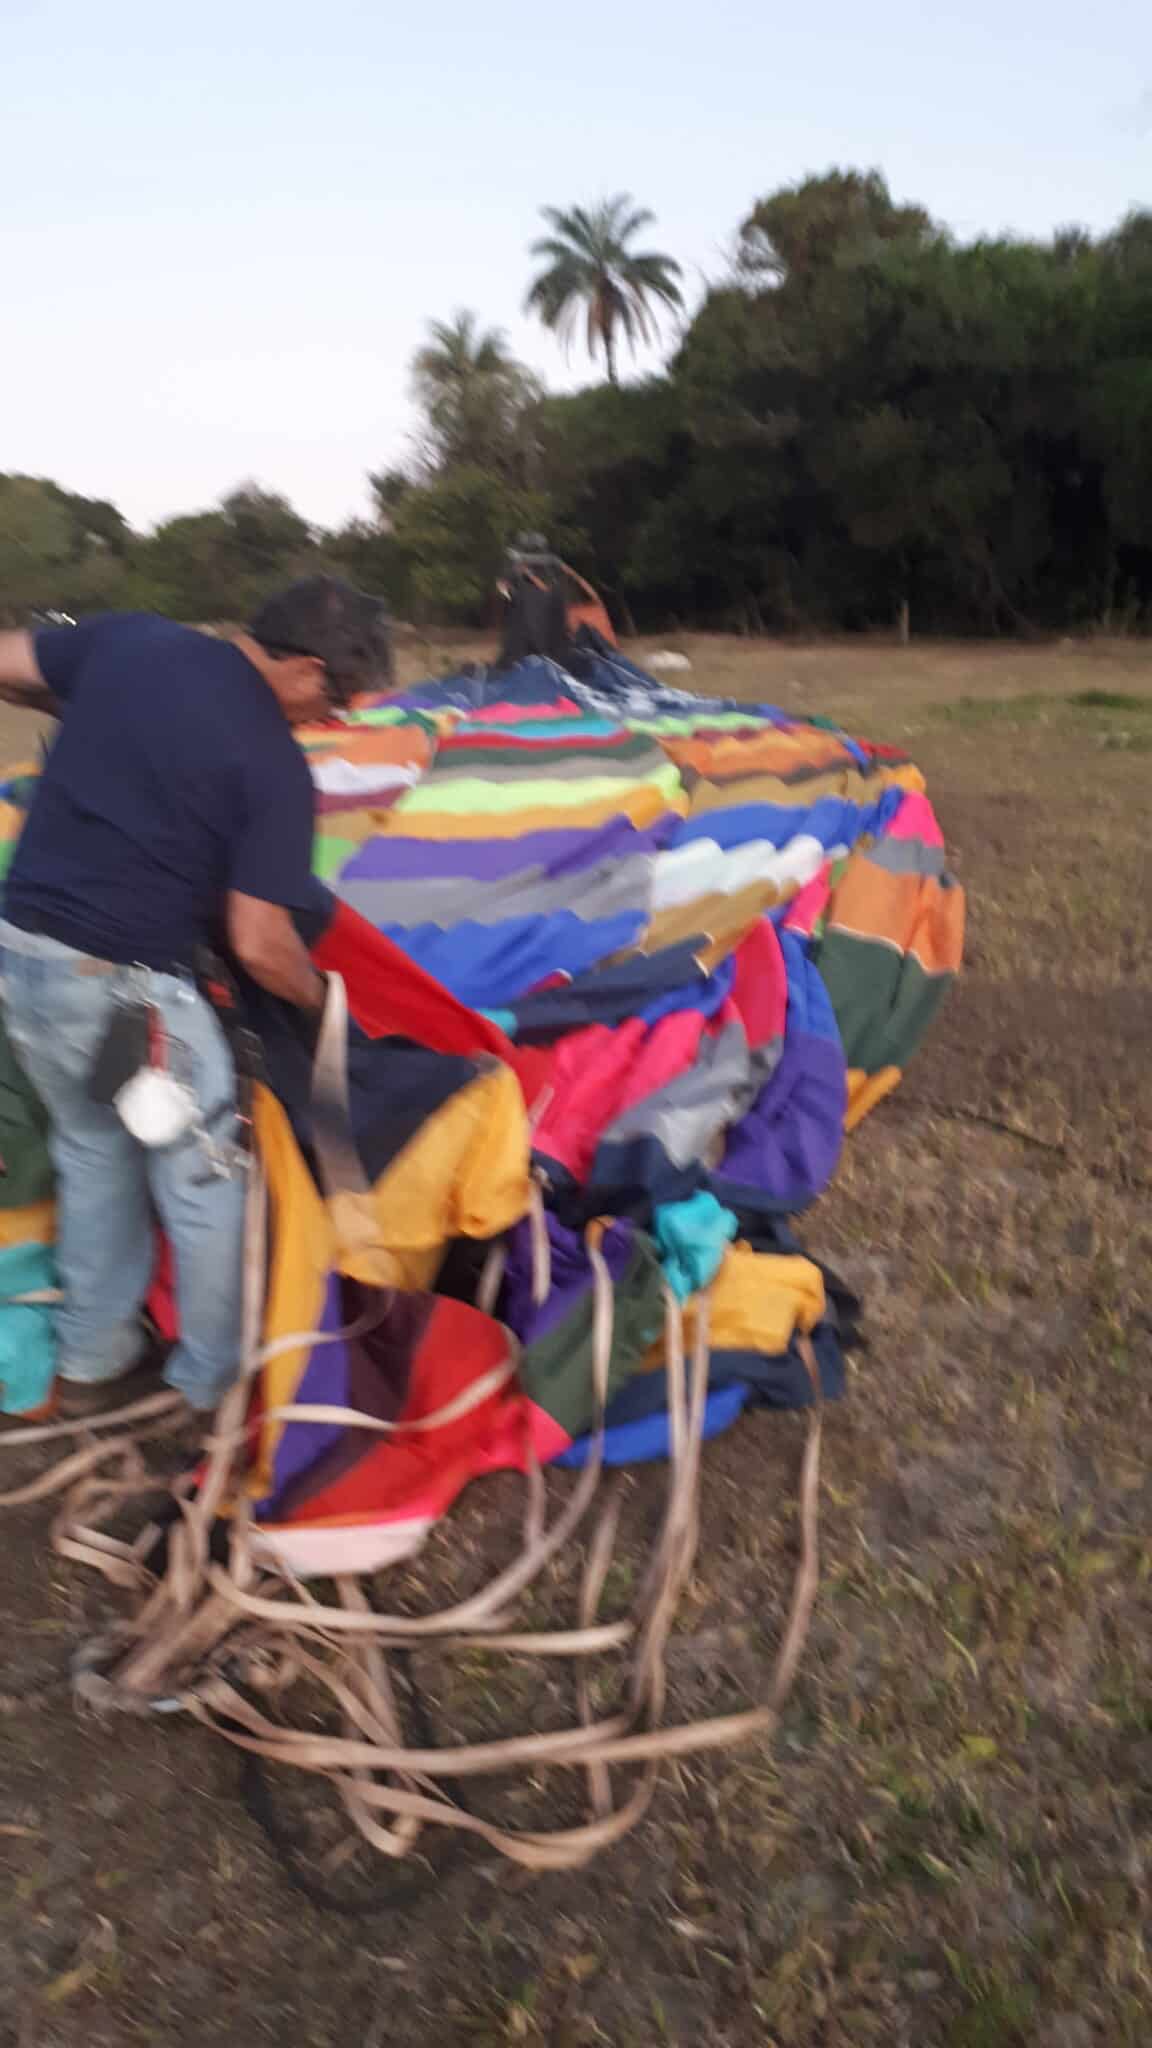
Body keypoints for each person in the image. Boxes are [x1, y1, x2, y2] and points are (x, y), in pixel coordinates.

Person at [0, 578, 391, 1428]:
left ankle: (94, 1354)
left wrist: (85, 706)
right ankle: (212, 1382)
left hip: (24, 963)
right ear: (307, 669)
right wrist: (323, 1005)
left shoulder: (132, 639)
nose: (332, 720)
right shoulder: (271, 764)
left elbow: (8, 663)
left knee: (94, 1148)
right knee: (204, 1178)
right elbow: (259, 941)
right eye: (338, 700)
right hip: (123, 998)